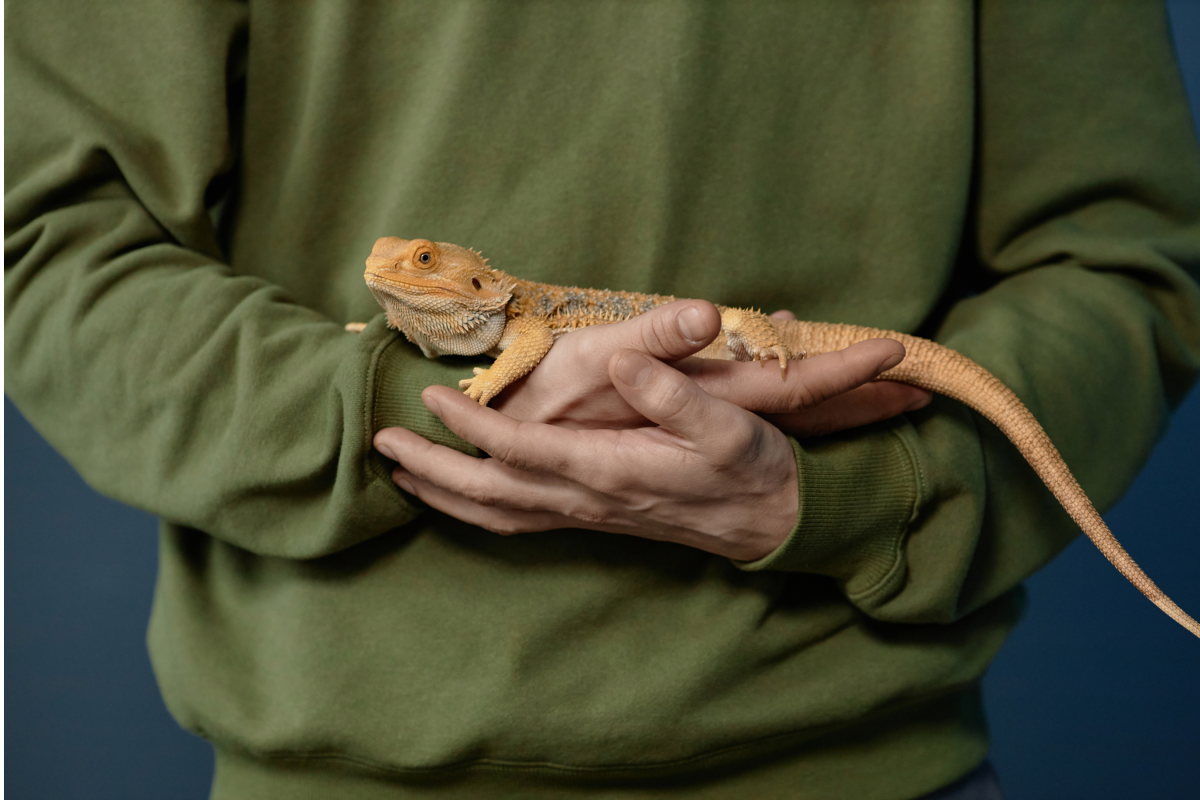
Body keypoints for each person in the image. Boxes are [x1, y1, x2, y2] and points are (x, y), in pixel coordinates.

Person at [6, 2, 1199, 798]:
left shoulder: (520, 313)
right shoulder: (473, 316)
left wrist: (859, 491)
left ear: (474, 281)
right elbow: (40, 240)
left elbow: (1127, 259)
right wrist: (384, 404)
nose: (401, 269)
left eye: (427, 265)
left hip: (869, 759)